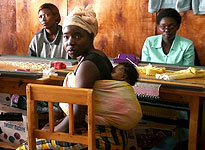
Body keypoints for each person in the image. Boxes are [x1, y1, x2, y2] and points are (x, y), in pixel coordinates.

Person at [17, 5, 142, 150]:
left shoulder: (87, 66)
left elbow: (77, 116)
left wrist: (52, 133)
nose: (70, 42)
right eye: (66, 37)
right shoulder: (97, 56)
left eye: (77, 36)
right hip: (105, 131)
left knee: (25, 148)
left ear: (91, 37)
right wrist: (56, 124)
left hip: (101, 137)